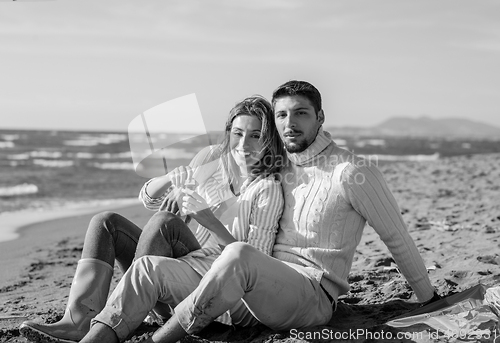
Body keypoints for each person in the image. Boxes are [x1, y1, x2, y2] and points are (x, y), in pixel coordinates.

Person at [78, 80, 440, 343]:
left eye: (300, 113)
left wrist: (430, 300)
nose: (289, 123)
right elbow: (230, 175)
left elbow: (397, 238)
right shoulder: (280, 166)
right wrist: (182, 183)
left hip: (312, 295)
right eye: (281, 114)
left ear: (320, 117)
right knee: (145, 268)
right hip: (252, 288)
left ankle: (161, 339)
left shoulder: (352, 172)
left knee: (238, 253)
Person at [20, 95, 285, 343]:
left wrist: (208, 220)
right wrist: (174, 180)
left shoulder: (267, 188)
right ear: (228, 134)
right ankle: (79, 319)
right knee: (106, 222)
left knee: (164, 223)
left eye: (255, 136)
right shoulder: (213, 163)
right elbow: (148, 199)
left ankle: (123, 314)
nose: (243, 145)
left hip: (211, 278)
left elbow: (255, 262)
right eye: (238, 134)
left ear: (268, 140)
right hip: (185, 262)